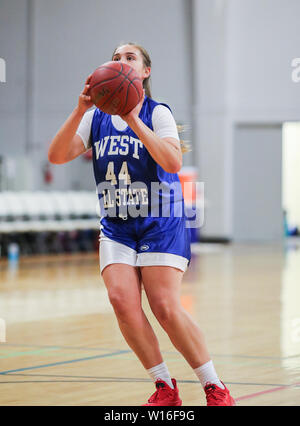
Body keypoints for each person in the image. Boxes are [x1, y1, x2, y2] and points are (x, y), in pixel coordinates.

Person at [48, 42, 235, 406]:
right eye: (115, 57)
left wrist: (133, 119)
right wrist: (79, 109)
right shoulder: (96, 118)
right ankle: (165, 386)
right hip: (117, 222)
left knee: (164, 306)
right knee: (121, 300)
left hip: (159, 221)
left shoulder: (157, 112)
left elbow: (172, 163)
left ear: (145, 71)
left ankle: (214, 386)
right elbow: (57, 156)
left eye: (129, 57)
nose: (120, 62)